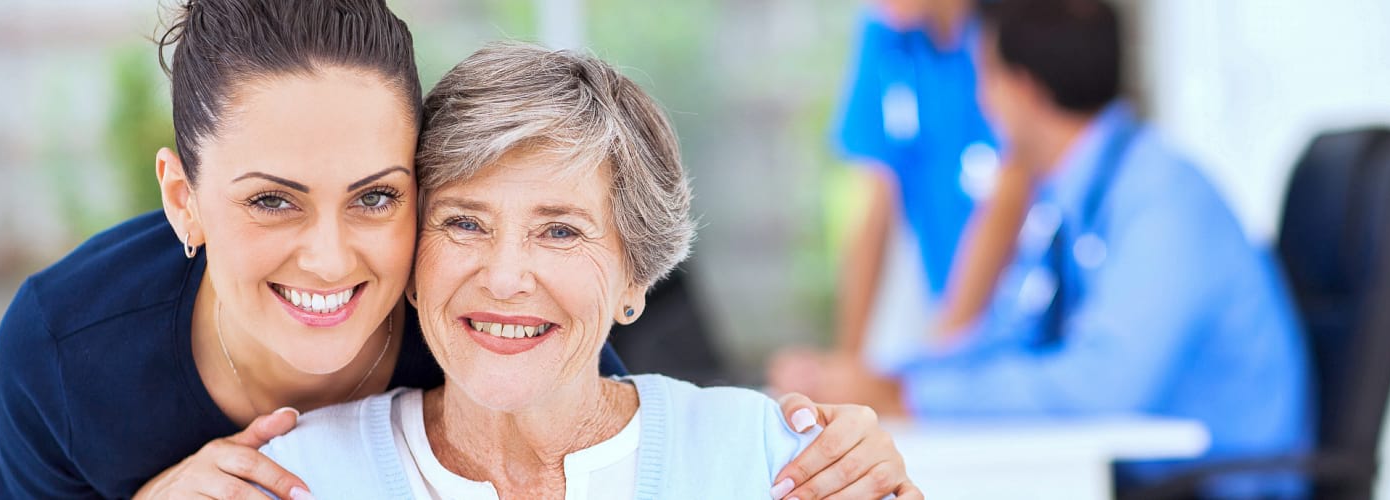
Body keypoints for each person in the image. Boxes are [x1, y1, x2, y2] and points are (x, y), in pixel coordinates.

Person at [0, 1, 913, 498]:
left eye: (377, 197)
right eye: (272, 200)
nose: (329, 256)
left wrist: (858, 459)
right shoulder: (65, 348)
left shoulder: (490, 328)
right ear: (183, 199)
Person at [262, 42, 921, 500]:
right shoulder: (292, 477)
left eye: (559, 231)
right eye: (464, 223)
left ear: (634, 277)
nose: (505, 276)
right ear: (410, 261)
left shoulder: (771, 458)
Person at [789, 0, 1314, 496]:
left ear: (1023, 89)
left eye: (985, 78)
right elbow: (1014, 335)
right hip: (1152, 476)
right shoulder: (1076, 195)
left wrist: (907, 396)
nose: (980, 100)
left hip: (1223, 485)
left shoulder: (1163, 199)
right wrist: (888, 378)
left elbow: (1100, 385)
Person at [768, 0, 1034, 392]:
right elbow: (874, 205)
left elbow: (1009, 197)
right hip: (944, 313)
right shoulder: (885, 33)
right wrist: (847, 370)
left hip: (1018, 320)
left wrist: (940, 362)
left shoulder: (1009, 34)